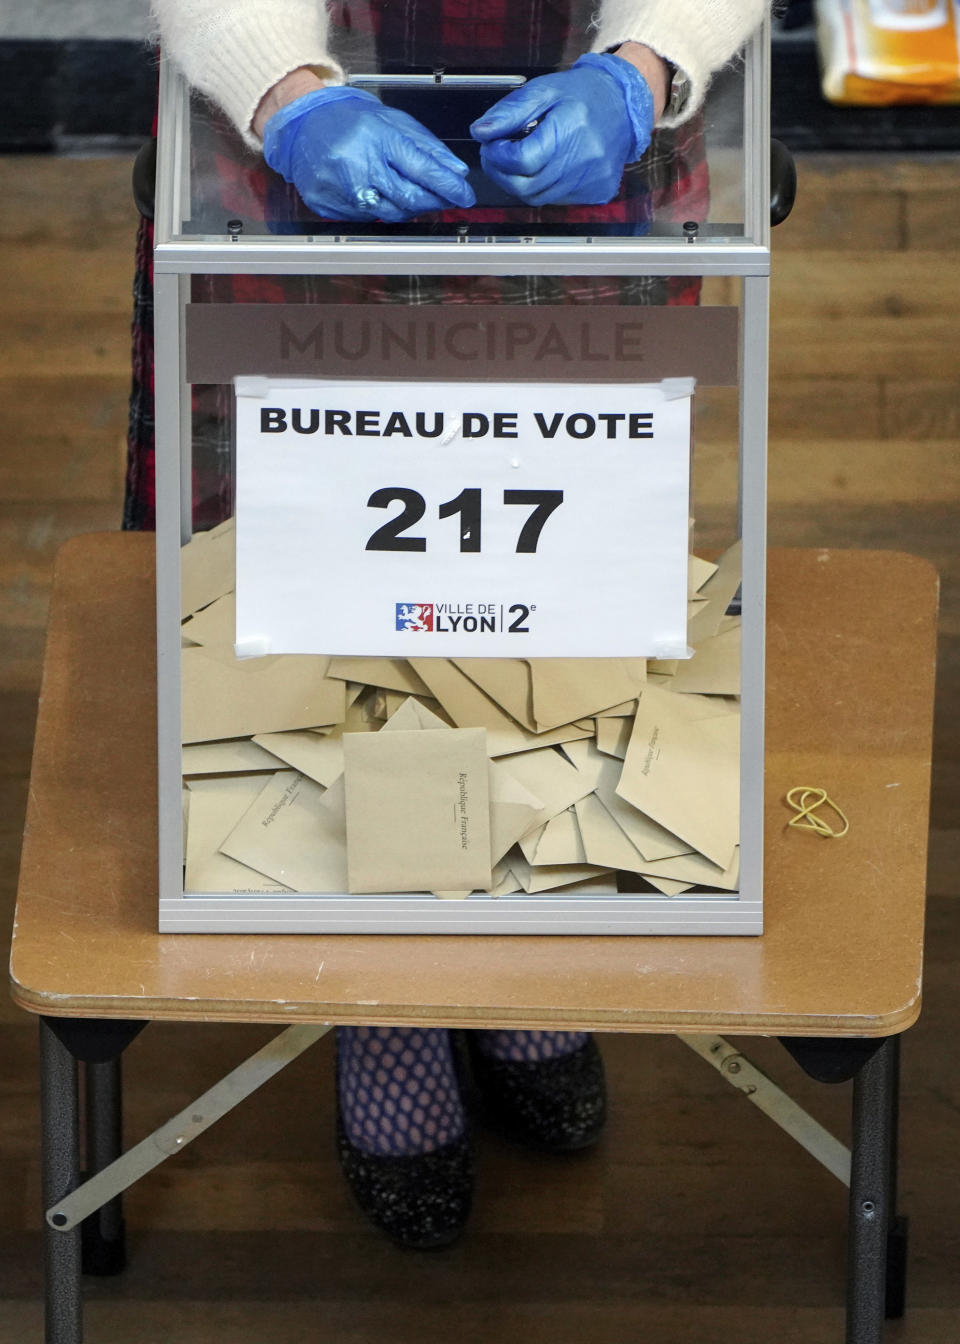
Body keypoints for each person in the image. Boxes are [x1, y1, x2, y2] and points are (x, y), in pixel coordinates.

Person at [131, 0, 768, 1249]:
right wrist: (284, 93)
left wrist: (649, 66)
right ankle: (388, 1008)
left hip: (600, 149)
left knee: (560, 590)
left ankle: (538, 931)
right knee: (315, 597)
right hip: (284, 156)